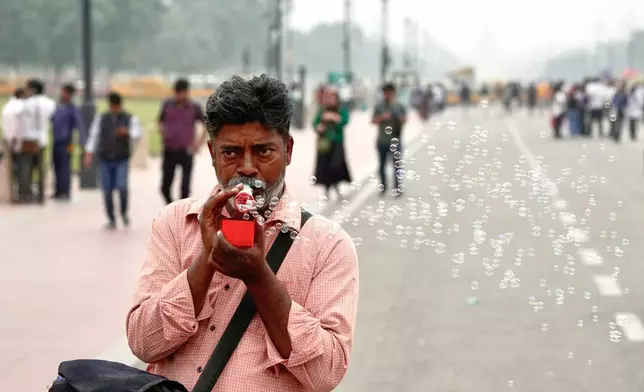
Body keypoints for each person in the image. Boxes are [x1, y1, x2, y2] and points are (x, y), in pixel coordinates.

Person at [126, 74, 358, 391]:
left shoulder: (328, 245)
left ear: (288, 150)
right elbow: (143, 343)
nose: (247, 167)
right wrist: (206, 260)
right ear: (211, 153)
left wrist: (259, 277)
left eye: (263, 152)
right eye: (231, 153)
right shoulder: (177, 222)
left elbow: (326, 373)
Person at [84, 92, 141, 229]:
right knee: (107, 189)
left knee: (122, 187)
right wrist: (88, 153)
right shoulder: (101, 118)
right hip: (105, 158)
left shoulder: (130, 118)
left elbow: (137, 134)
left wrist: (126, 132)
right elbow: (94, 136)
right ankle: (111, 219)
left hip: (122, 158)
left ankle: (123, 212)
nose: (115, 109)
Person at [158, 78, 206, 204]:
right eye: (178, 93)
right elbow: (160, 121)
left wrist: (198, 143)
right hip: (169, 149)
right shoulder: (167, 104)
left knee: (185, 187)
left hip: (186, 151)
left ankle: (181, 211)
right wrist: (163, 132)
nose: (180, 96)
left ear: (187, 92)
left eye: (183, 93)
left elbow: (206, 124)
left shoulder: (194, 107)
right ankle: (171, 206)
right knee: (164, 186)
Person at [19, 79, 56, 204]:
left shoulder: (26, 103)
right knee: (40, 167)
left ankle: (26, 194)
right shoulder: (50, 103)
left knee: (26, 168)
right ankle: (41, 194)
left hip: (28, 139)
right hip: (43, 139)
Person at [312, 88, 352, 199]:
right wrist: (320, 126)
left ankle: (337, 187)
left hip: (337, 142)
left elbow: (345, 121)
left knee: (336, 166)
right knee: (325, 166)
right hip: (325, 143)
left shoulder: (341, 110)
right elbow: (315, 124)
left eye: (332, 97)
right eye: (329, 98)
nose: (330, 100)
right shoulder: (322, 110)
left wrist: (333, 118)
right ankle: (327, 190)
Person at [372, 82, 407, 196]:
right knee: (382, 165)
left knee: (397, 165)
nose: (387, 95)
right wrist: (383, 117)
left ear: (393, 93)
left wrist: (396, 117)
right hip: (382, 140)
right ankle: (383, 186)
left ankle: (397, 187)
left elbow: (405, 119)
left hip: (395, 139)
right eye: (385, 92)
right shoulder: (379, 106)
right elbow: (373, 120)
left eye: (389, 92)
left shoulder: (399, 105)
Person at [51, 83, 82, 200]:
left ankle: (65, 191)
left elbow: (79, 125)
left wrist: (82, 143)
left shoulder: (72, 108)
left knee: (65, 166)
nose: (61, 94)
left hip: (67, 142)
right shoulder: (58, 106)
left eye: (64, 92)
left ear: (69, 94)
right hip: (56, 140)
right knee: (56, 165)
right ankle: (58, 190)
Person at [1, 88, 26, 202]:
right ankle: (23, 192)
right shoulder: (20, 106)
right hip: (19, 141)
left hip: (8, 141)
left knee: (10, 169)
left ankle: (11, 194)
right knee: (23, 168)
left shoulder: (7, 107)